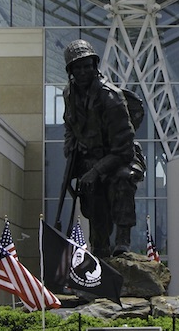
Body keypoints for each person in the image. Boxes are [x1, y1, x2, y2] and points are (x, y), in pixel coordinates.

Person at [62, 39, 145, 257]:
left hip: (119, 158)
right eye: (77, 67)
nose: (82, 71)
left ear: (94, 66)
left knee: (122, 180)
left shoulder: (111, 97)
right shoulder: (69, 94)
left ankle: (122, 243)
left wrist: (96, 171)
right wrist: (70, 146)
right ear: (70, 70)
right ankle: (99, 252)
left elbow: (124, 149)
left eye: (87, 65)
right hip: (90, 160)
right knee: (94, 202)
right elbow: (70, 125)